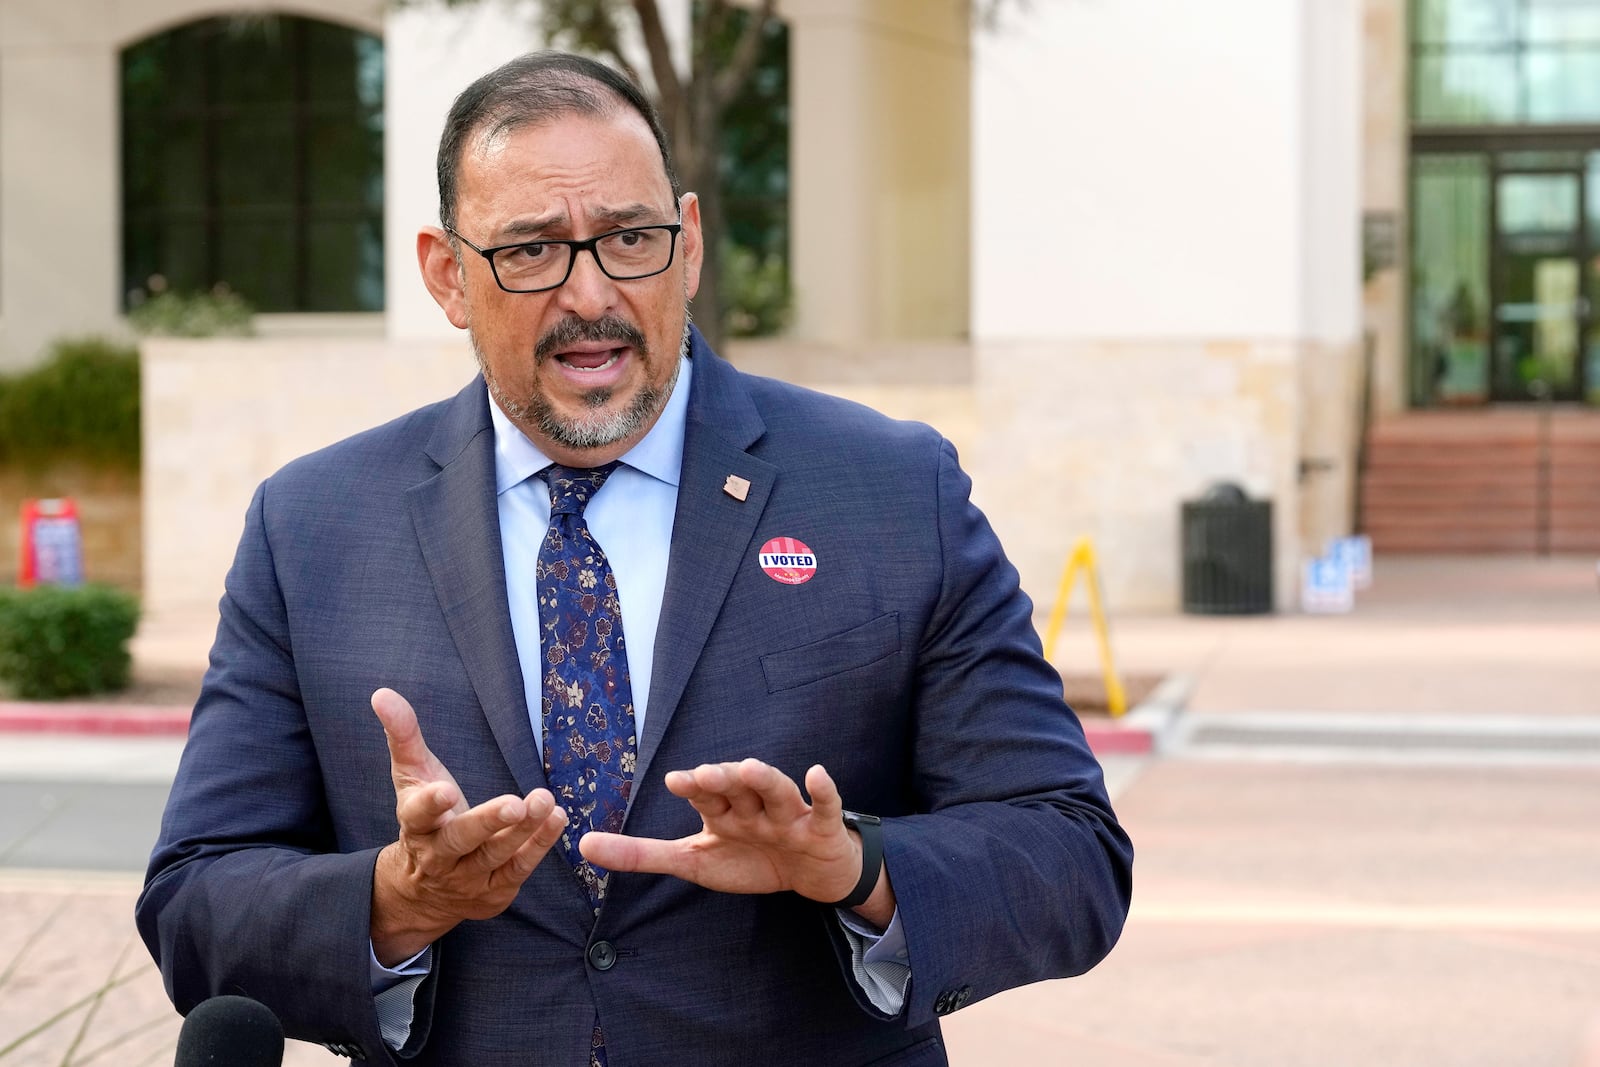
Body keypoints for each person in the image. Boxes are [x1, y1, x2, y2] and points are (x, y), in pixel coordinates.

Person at [136, 51, 1132, 1067]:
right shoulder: (313, 526)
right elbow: (194, 900)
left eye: (630, 238)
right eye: (531, 250)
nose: (590, 293)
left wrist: (857, 866)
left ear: (689, 244)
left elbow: (1069, 852)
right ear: (446, 273)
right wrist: (396, 899)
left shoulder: (891, 490)